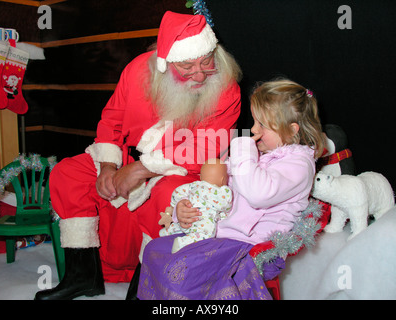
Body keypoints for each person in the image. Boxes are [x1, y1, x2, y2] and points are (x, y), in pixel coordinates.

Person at [35, 11, 242, 300]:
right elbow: (112, 120)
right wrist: (108, 164)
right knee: (68, 172)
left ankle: (143, 288)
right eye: (186, 65)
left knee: (170, 195)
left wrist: (141, 169)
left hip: (179, 168)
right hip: (124, 156)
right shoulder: (136, 71)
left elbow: (207, 149)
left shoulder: (227, 88)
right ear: (165, 63)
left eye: (206, 61)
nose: (199, 74)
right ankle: (82, 276)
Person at [137, 79, 326, 300]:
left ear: (292, 131)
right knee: (155, 249)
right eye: (255, 121)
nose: (254, 129)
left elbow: (257, 195)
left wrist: (243, 148)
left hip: (248, 246)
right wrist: (185, 211)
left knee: (182, 271)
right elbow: (215, 188)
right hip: (220, 235)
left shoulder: (299, 166)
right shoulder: (263, 155)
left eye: (262, 125)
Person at [159, 158, 232, 253]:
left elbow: (177, 192)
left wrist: (175, 205)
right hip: (202, 219)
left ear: (201, 177)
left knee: (182, 226)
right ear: (223, 180)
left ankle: (167, 232)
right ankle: (182, 243)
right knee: (207, 234)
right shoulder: (221, 192)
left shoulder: (193, 185)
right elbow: (225, 206)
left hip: (187, 217)